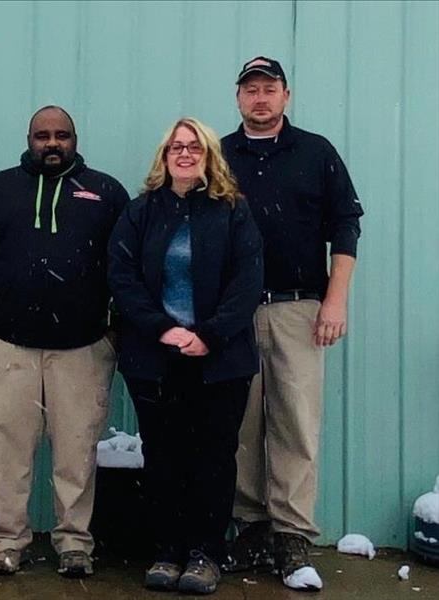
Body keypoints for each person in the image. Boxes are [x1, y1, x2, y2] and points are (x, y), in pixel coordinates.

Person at [0, 106, 129, 578]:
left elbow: (126, 267)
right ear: (29, 139)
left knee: (77, 451)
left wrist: (115, 330)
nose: (53, 144)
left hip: (84, 348)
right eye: (43, 136)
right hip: (7, 346)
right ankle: (7, 542)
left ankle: (74, 544)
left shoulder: (106, 193)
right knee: (6, 450)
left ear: (75, 139)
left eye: (62, 136)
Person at [221, 56, 364, 591]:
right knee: (240, 425)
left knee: (295, 424)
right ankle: (252, 528)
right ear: (238, 98)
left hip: (299, 308)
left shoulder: (316, 153)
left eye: (270, 89)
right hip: (232, 312)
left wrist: (335, 301)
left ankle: (292, 536)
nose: (260, 98)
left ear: (286, 96)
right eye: (251, 90)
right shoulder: (219, 155)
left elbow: (345, 227)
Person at [108, 118, 263, 595]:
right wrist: (163, 329)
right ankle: (168, 551)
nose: (184, 153)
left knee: (213, 457)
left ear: (209, 156)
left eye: (194, 147)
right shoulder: (141, 212)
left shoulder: (232, 211)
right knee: (165, 456)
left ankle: (205, 554)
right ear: (164, 155)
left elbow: (247, 280)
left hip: (220, 359)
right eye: (176, 146)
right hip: (157, 357)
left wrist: (209, 335)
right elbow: (122, 275)